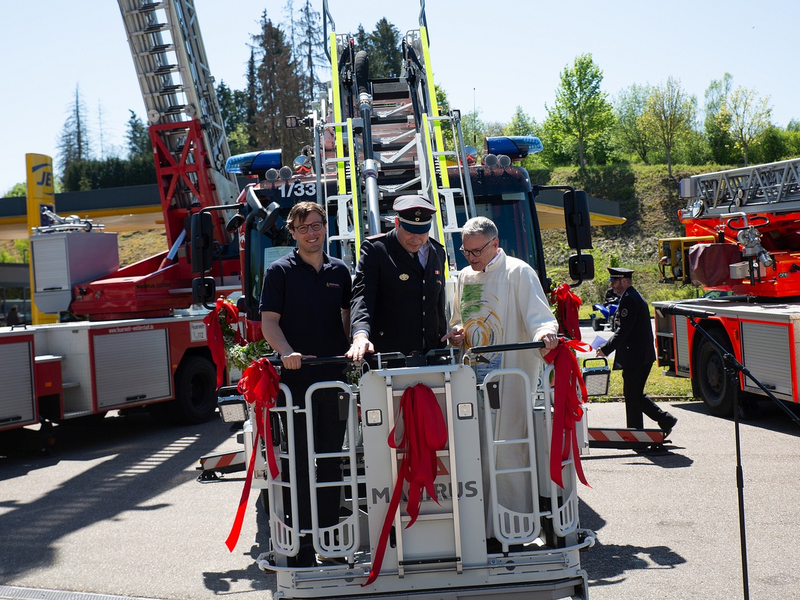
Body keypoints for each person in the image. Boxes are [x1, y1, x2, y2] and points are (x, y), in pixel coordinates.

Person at [443, 216, 558, 540]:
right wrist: (455, 334)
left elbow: (540, 316)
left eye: (476, 251)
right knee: (474, 451)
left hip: (510, 380)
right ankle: (480, 530)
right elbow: (459, 322)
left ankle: (513, 528)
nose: (471, 258)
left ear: (495, 244)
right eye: (466, 252)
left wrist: (546, 333)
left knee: (509, 451)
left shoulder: (518, 272)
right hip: (473, 380)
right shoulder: (465, 277)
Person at [259, 201, 352, 567]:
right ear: (293, 233)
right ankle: (301, 545)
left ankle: (329, 541)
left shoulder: (340, 271)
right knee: (298, 462)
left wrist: (350, 353)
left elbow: (348, 321)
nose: (312, 232)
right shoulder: (279, 272)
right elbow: (270, 323)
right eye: (304, 228)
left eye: (317, 225)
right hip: (295, 383)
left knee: (331, 460)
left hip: (332, 380)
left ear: (324, 227)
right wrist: (287, 352)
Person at [347, 194, 448, 360]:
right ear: (396, 223)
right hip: (389, 356)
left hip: (431, 354)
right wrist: (360, 334)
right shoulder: (376, 250)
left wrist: (444, 338)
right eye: (410, 232)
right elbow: (363, 296)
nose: (416, 240)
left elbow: (437, 303)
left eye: (423, 232)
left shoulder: (437, 252)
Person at [596, 266, 678, 435]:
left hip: (637, 357)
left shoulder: (630, 299)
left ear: (623, 281)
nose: (611, 285)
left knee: (633, 396)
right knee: (634, 395)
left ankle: (638, 434)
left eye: (614, 281)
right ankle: (658, 422)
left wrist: (606, 349)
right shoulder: (629, 297)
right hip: (637, 356)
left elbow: (624, 330)